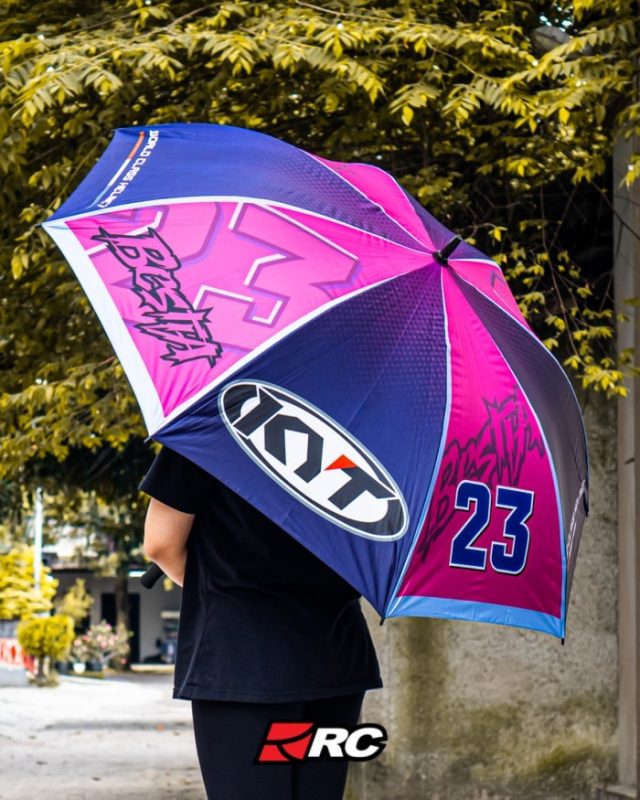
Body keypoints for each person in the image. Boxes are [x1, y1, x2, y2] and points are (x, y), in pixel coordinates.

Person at [140, 445, 382, 800]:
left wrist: (217, 585)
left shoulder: (214, 418)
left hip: (242, 659)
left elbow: (161, 544)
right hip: (335, 658)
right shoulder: (365, 439)